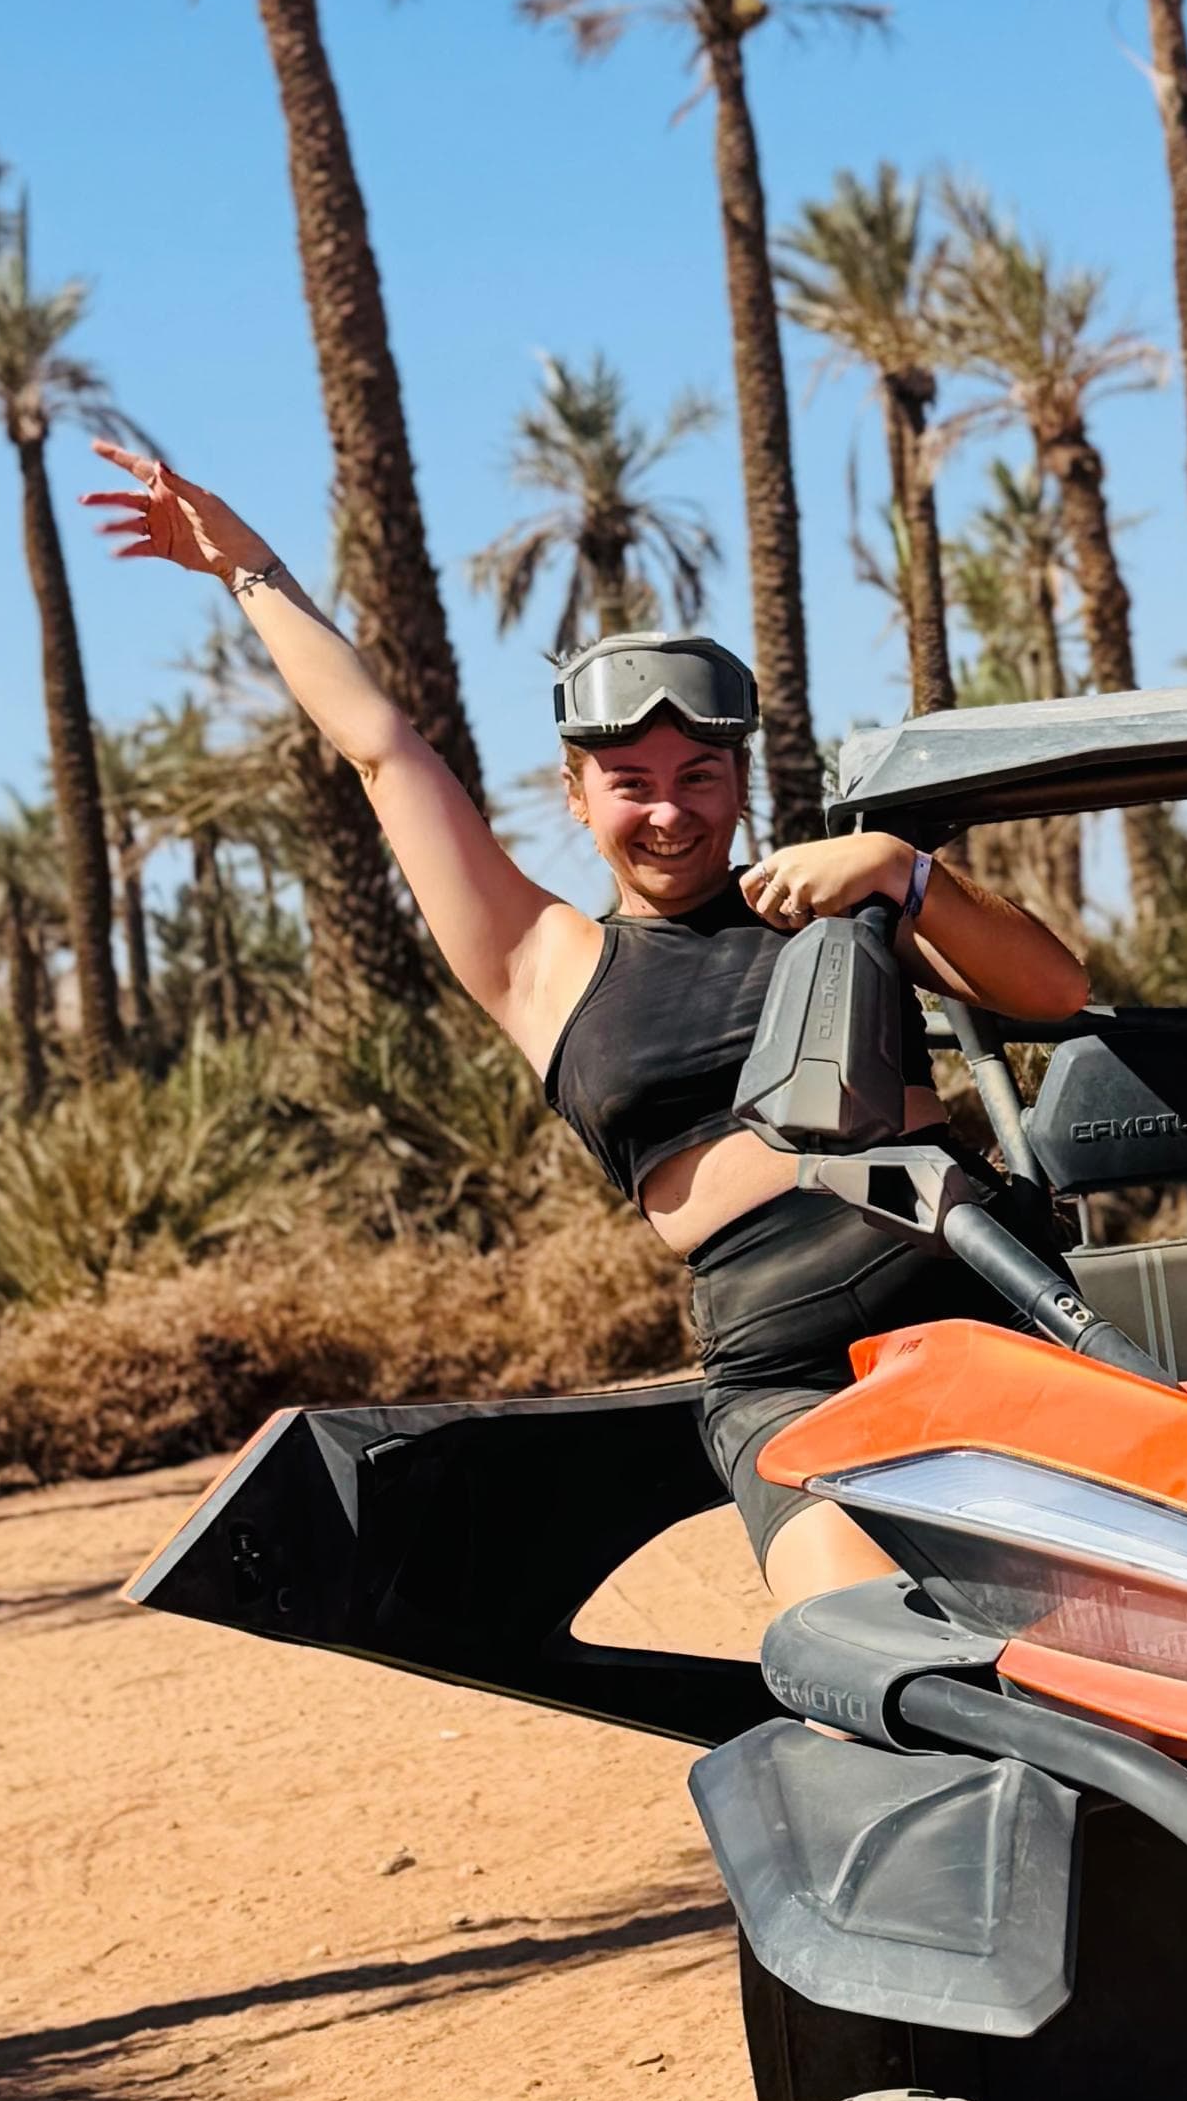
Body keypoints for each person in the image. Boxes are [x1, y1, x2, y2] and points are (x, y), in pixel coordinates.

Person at [85, 450, 1088, 1606]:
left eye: (699, 774)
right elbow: (383, 750)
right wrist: (247, 569)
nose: (669, 810)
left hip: (977, 1294)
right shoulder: (543, 960)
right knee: (864, 1642)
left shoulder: (832, 893)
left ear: (742, 779)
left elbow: (1054, 991)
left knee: (1128, 1632)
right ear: (575, 793)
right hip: (784, 1368)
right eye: (631, 779)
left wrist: (907, 872)